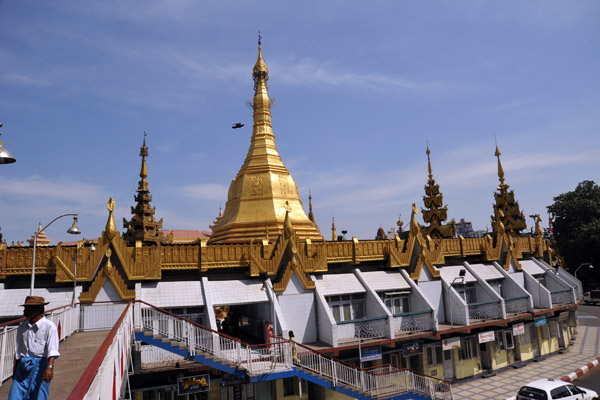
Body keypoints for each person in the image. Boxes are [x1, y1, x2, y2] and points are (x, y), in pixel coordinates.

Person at [9, 296, 60, 400]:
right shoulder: (22, 327)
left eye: (28, 308)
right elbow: (19, 351)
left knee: (38, 395)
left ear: (37, 310)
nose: (25, 311)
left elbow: (52, 349)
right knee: (15, 396)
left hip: (40, 364)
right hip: (23, 365)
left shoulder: (49, 326)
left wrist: (50, 368)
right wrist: (15, 370)